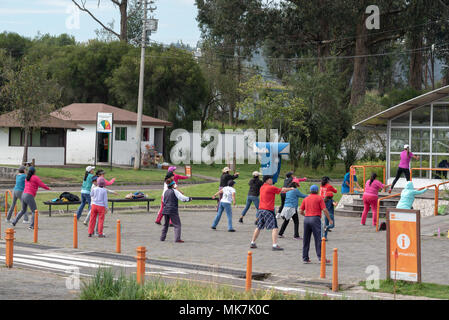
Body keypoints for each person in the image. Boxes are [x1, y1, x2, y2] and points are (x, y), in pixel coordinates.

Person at [249, 175, 294, 251]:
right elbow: (282, 190)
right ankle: (274, 245)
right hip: (268, 210)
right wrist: (291, 188)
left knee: (259, 227)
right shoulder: (271, 187)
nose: (272, 180)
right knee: (275, 227)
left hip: (260, 210)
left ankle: (252, 242)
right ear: (267, 180)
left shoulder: (262, 187)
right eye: (271, 179)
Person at [299, 185, 333, 264]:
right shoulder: (319, 198)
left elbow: (300, 211)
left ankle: (305, 258)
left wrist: (306, 216)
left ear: (310, 191)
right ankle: (321, 258)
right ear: (317, 191)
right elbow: (324, 209)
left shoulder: (306, 198)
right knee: (318, 239)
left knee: (306, 239)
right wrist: (329, 219)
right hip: (316, 219)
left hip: (306, 219)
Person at [160, 178, 192, 243]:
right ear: (172, 185)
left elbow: (163, 201)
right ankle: (177, 239)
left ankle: (162, 238)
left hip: (165, 209)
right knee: (177, 225)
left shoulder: (165, 192)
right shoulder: (174, 191)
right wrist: (189, 199)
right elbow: (182, 198)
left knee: (166, 224)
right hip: (172, 210)